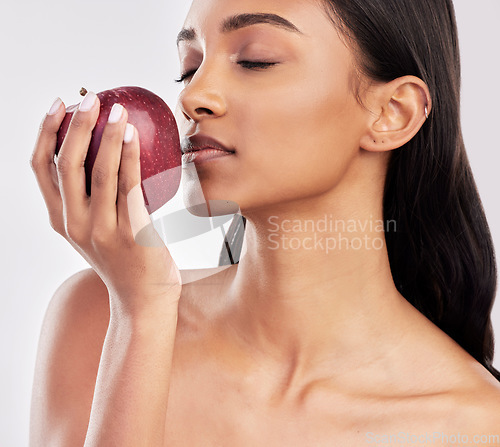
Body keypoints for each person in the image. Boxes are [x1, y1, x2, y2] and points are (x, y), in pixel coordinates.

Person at [29, 0, 500, 445]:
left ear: (391, 113)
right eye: (188, 68)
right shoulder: (99, 318)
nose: (193, 96)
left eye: (255, 60)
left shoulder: (476, 425)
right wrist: (141, 317)